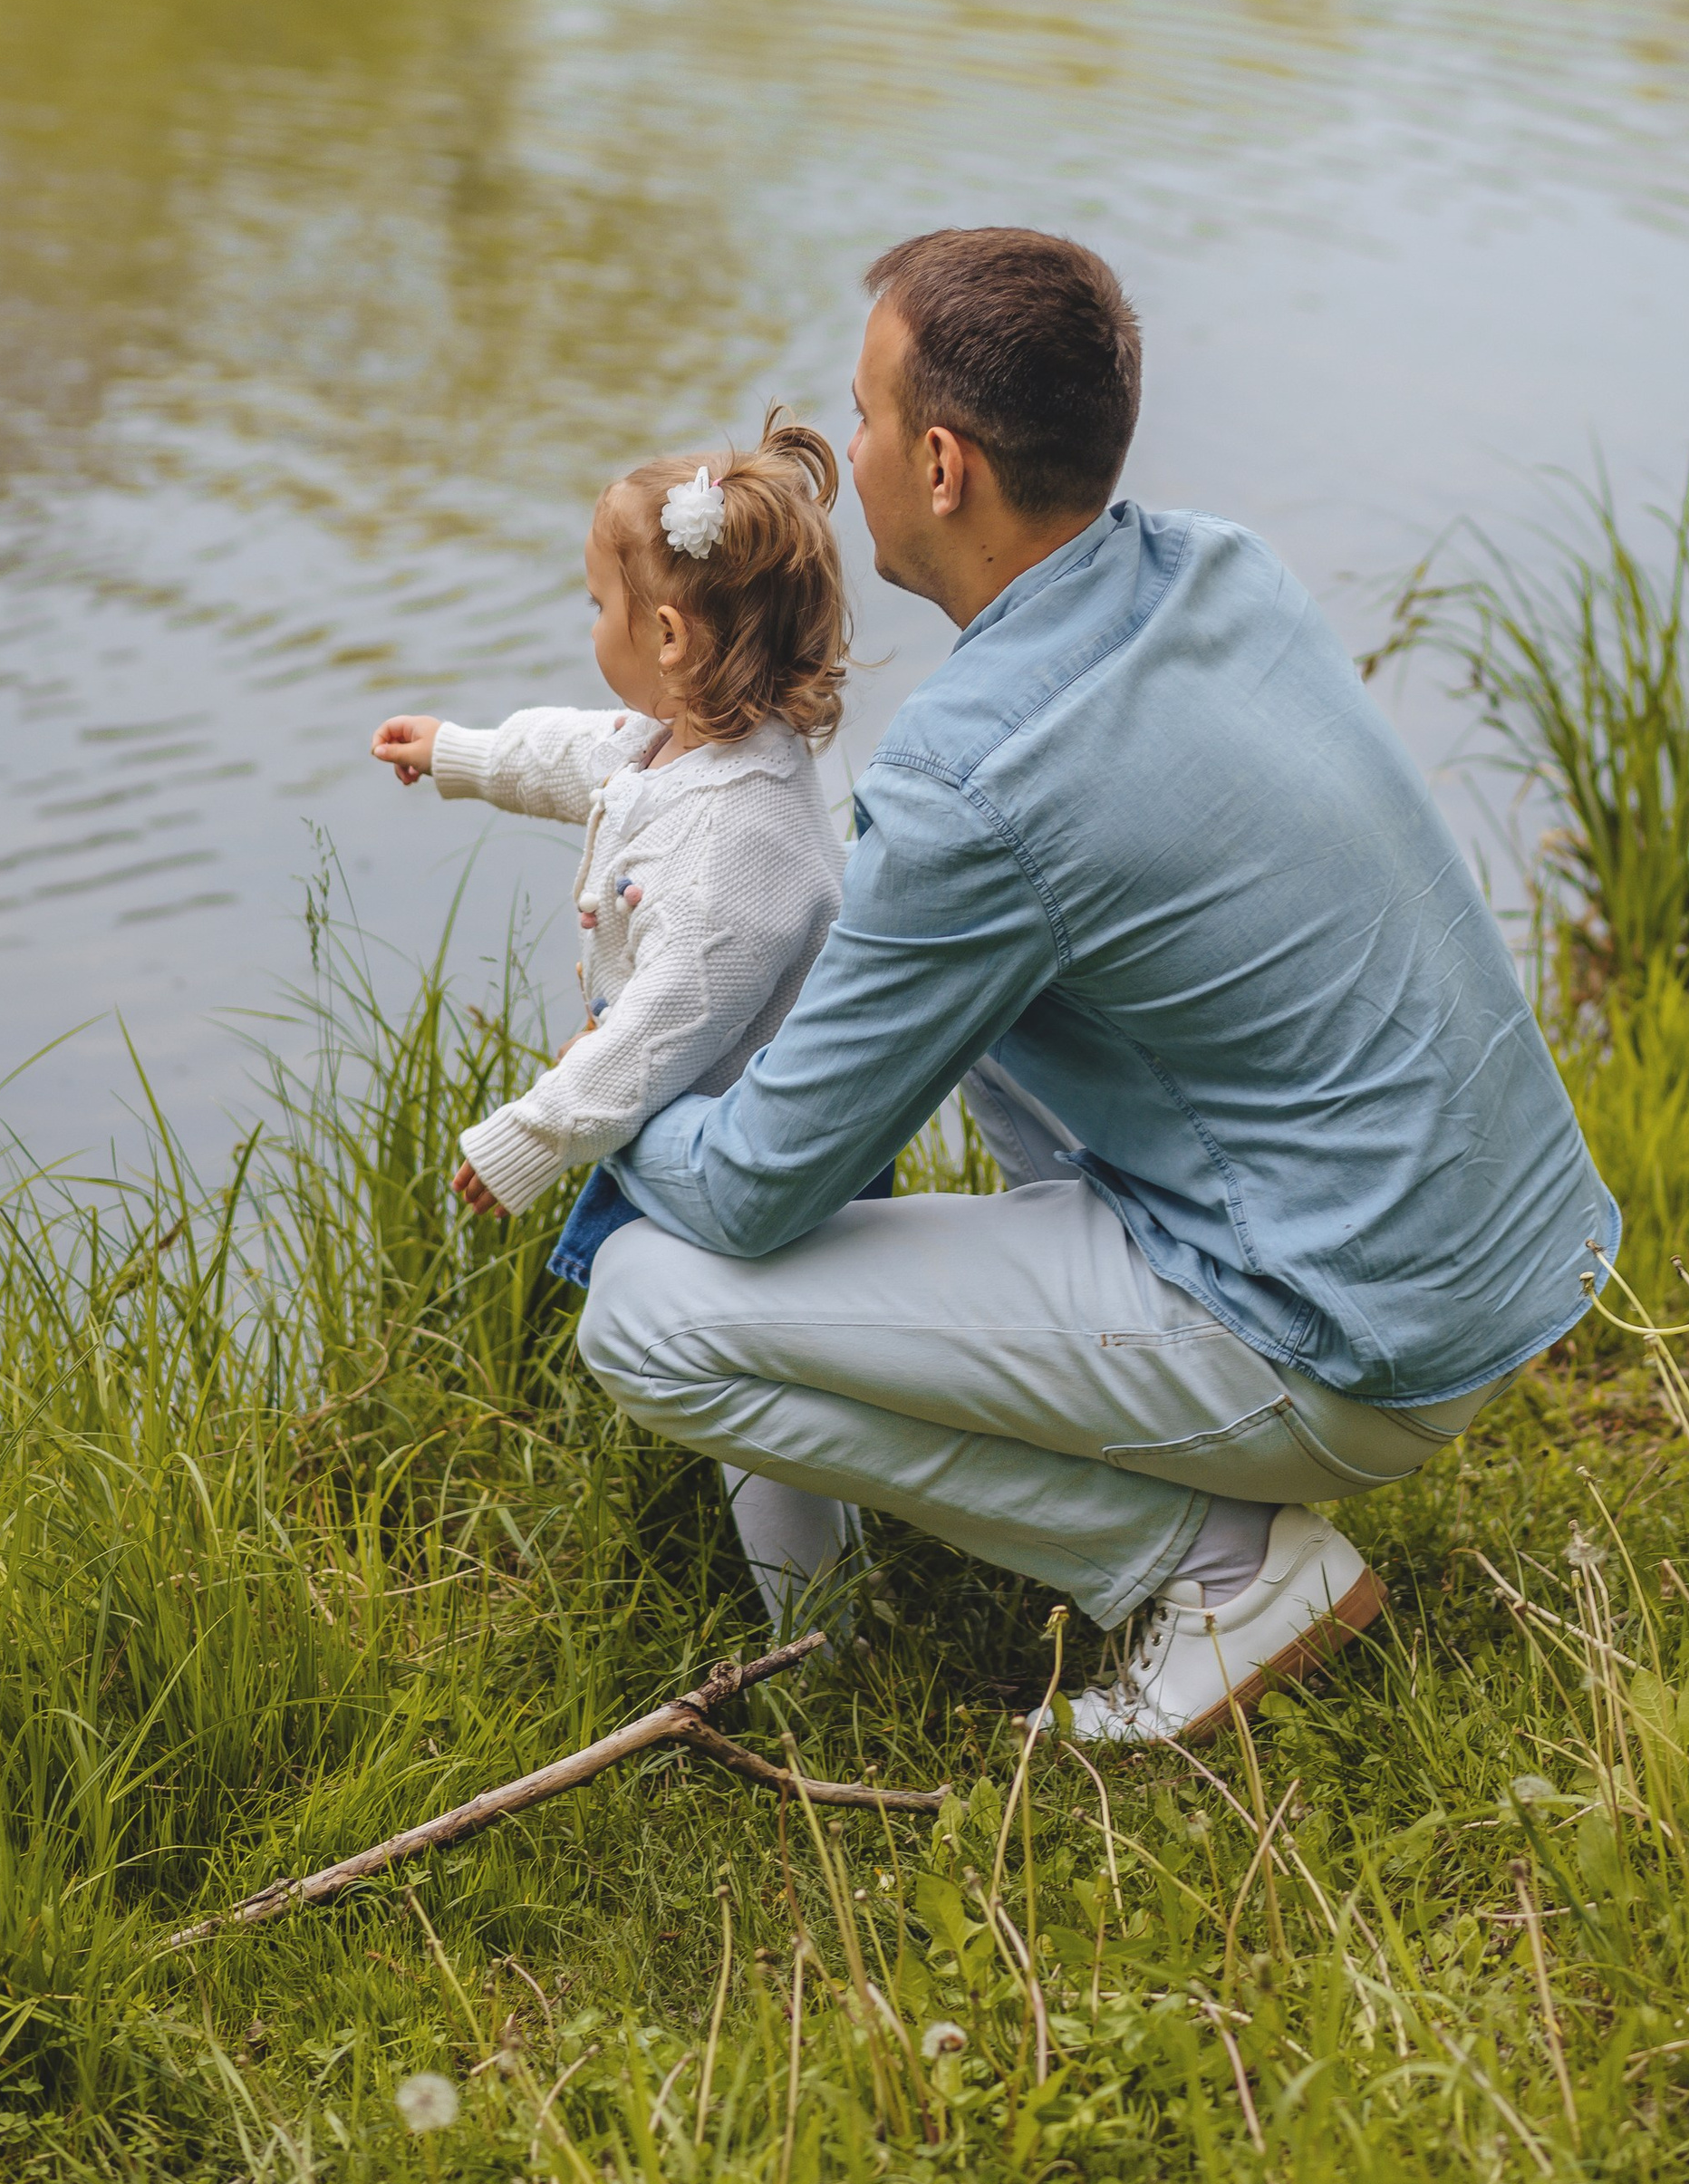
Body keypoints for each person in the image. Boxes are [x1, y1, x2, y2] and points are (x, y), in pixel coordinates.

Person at [575, 232, 1621, 1744]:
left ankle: (1215, 1569)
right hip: (1493, 1264)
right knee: (934, 1015)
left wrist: (607, 1088)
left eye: (864, 416)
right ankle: (1127, 1495)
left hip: (1344, 1339)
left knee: (647, 1304)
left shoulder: (976, 772)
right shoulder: (1222, 569)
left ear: (943, 465)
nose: (847, 452)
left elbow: (748, 1195)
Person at [368, 410, 872, 1628]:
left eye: (599, 605)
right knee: (770, 1386)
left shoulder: (741, 840)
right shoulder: (683, 738)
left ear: (668, 635)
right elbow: (575, 753)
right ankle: (845, 1585)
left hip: (757, 1160)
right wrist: (461, 753)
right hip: (699, 1124)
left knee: (759, 1401)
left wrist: (531, 1135)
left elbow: (657, 1033)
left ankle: (823, 1637)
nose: (588, 627)